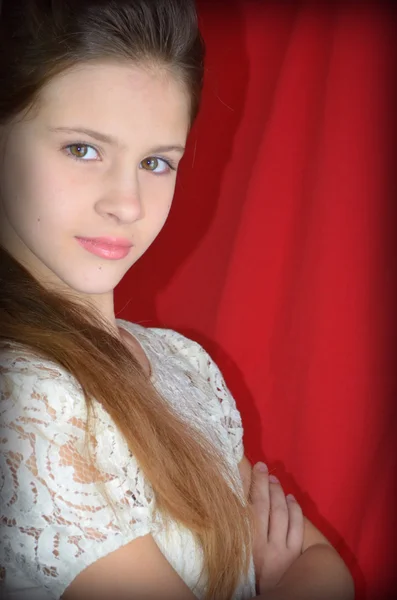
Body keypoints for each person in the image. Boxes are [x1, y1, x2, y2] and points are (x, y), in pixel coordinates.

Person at [0, 1, 354, 599]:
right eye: (82, 149)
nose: (129, 203)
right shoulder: (24, 394)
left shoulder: (182, 362)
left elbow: (325, 568)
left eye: (156, 162)